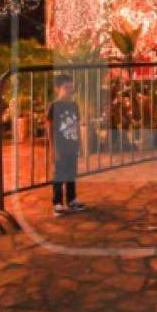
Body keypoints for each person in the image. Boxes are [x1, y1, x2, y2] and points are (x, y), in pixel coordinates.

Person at [46, 74, 86, 217]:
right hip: (60, 147)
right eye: (66, 87)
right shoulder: (54, 106)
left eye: (71, 87)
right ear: (58, 89)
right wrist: (53, 149)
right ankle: (57, 203)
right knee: (59, 175)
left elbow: (76, 126)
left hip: (72, 146)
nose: (69, 90)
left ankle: (71, 199)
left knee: (71, 174)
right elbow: (50, 129)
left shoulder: (74, 105)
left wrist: (80, 145)